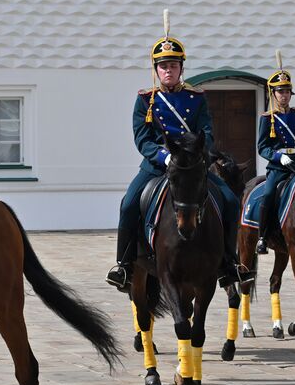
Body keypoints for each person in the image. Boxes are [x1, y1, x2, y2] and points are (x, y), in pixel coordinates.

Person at [105, 17, 247, 292]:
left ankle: (229, 263)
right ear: (156, 70)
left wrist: (196, 156)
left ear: (181, 68)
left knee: (229, 201)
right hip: (158, 166)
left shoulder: (196, 98)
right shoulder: (146, 100)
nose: (167, 70)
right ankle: (123, 265)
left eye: (172, 65)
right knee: (129, 204)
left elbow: (206, 131)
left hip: (192, 165)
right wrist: (164, 157)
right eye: (163, 66)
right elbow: (142, 139)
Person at [254, 63, 295, 255]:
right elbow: (262, 147)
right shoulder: (267, 118)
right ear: (273, 94)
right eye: (280, 92)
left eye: (287, 92)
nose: (284, 95)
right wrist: (278, 157)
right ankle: (263, 237)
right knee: (269, 193)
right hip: (278, 168)